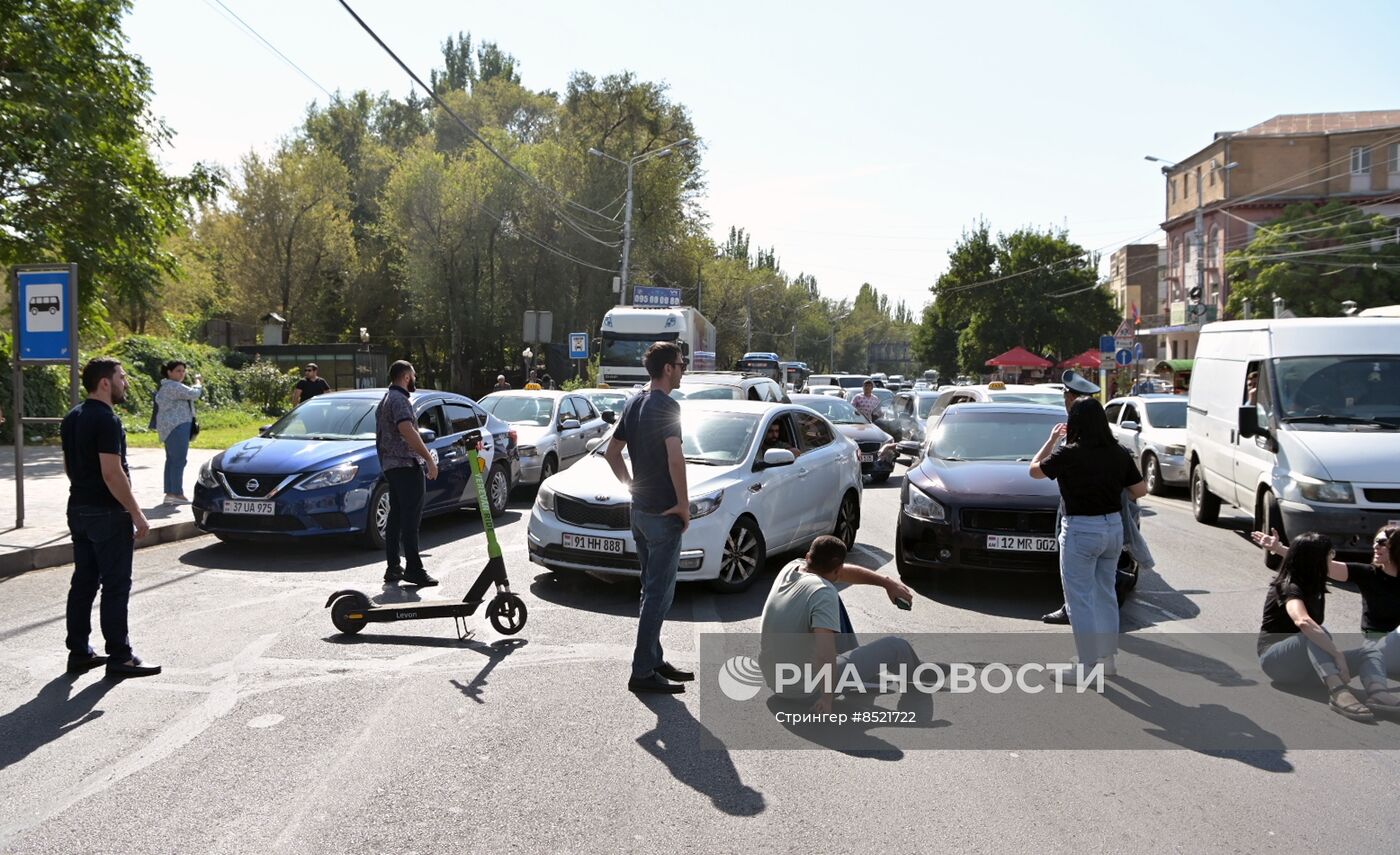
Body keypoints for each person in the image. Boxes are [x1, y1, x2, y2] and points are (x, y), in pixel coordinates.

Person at [1030, 396, 1147, 674]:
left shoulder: (1069, 453)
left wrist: (1050, 441)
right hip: (1113, 529)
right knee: (1105, 594)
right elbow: (1140, 490)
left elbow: (1034, 470)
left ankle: (1086, 666)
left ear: (1074, 423)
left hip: (1081, 530)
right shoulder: (1118, 452)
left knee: (1079, 598)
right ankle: (1108, 662)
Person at [61, 357, 160, 679]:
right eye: (122, 376)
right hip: (106, 513)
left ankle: (79, 653)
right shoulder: (107, 420)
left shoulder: (72, 417)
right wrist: (137, 514)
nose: (126, 382)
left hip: (78, 509)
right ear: (105, 382)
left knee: (83, 583)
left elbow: (69, 467)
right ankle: (121, 656)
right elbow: (112, 473)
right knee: (115, 586)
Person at [604, 341, 691, 694]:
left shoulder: (634, 401)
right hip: (663, 513)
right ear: (668, 368)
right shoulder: (667, 405)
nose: (684, 370)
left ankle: (654, 659)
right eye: (682, 364)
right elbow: (675, 459)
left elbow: (612, 453)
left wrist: (632, 487)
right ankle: (642, 672)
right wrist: (684, 505)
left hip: (639, 510)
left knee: (649, 589)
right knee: (659, 594)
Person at [759, 535, 919, 713]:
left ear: (807, 557)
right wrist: (826, 699)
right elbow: (824, 654)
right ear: (837, 568)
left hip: (776, 682)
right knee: (897, 646)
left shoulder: (791, 568)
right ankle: (919, 676)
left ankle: (863, 676)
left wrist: (885, 582)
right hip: (807, 690)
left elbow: (840, 573)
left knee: (832, 600)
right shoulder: (823, 592)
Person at [1253, 524, 1400, 712]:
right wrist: (1337, 655)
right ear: (1316, 560)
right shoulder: (1287, 586)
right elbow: (1303, 622)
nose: (1332, 559)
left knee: (1369, 653)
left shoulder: (1315, 587)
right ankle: (1338, 691)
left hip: (1307, 670)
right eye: (1329, 554)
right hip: (1276, 663)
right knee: (1316, 631)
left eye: (1382, 542)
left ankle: (1378, 694)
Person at [1041, 369, 1101, 625]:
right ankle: (1074, 609)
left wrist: (1051, 442)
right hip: (1094, 518)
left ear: (1073, 399)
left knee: (1079, 575)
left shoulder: (1078, 435)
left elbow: (1038, 469)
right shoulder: (1091, 431)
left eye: (1067, 395)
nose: (1064, 399)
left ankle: (1078, 615)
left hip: (1081, 518)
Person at [375, 360, 440, 587]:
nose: (415, 379)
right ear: (405, 377)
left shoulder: (385, 399)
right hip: (405, 465)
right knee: (411, 519)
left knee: (396, 518)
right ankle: (414, 569)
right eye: (413, 375)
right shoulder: (400, 400)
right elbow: (406, 429)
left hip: (391, 466)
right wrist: (429, 459)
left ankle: (393, 567)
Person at [155, 360, 203, 505]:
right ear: (169, 372)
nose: (181, 373)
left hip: (171, 427)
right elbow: (194, 394)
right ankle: (176, 493)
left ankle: (171, 493)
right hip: (177, 426)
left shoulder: (167, 386)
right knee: (178, 460)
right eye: (178, 371)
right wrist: (199, 383)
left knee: (172, 460)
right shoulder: (173, 386)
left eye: (183, 371)